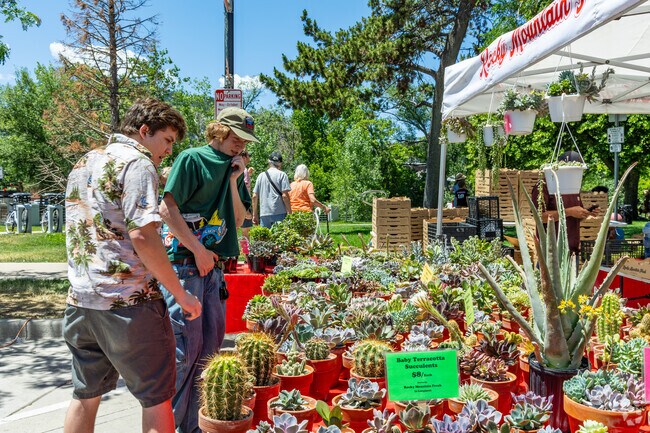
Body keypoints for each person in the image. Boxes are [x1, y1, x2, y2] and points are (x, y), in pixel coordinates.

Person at [62, 98, 202, 433]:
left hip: (81, 302)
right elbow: (143, 236)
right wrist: (181, 295)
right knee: (156, 398)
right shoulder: (138, 164)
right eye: (166, 140)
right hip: (130, 303)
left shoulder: (84, 162)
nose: (168, 150)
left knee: (85, 393)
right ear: (144, 130)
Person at [158, 107, 256, 433]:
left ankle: (196, 426)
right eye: (235, 136)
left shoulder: (234, 169)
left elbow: (239, 220)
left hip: (214, 271)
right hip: (186, 266)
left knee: (210, 356)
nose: (239, 144)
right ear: (218, 130)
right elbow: (166, 209)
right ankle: (172, 427)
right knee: (185, 354)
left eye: (245, 140)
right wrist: (198, 249)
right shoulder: (192, 159)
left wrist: (233, 181)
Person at [531, 151, 598, 255]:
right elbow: (540, 217)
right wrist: (569, 212)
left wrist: (586, 212)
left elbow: (576, 216)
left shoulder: (573, 187)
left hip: (572, 251)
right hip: (550, 253)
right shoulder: (544, 186)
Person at [252, 151, 292, 227]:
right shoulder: (282, 175)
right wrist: (290, 212)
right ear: (280, 163)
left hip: (264, 214)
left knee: (265, 238)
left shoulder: (261, 176)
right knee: (279, 237)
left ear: (269, 162)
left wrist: (255, 214)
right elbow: (285, 196)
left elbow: (254, 196)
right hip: (279, 213)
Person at [240, 150, 254, 238]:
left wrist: (249, 174)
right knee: (246, 230)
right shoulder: (243, 170)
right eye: (249, 156)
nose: (250, 158)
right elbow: (242, 189)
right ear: (244, 157)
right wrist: (246, 210)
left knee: (245, 230)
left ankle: (245, 251)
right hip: (244, 203)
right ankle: (246, 251)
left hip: (243, 203)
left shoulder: (243, 170)